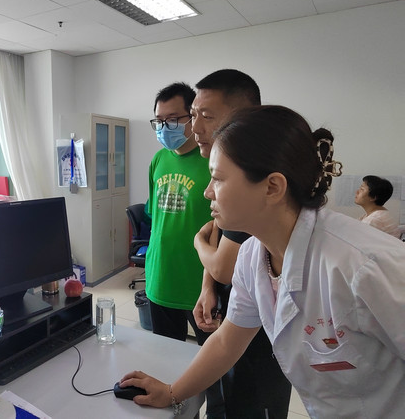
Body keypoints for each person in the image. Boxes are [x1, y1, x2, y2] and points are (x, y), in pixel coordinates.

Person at [121, 105, 405, 418]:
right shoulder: (252, 256)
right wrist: (172, 392)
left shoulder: (367, 266)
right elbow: (228, 341)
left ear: (272, 187)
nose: (207, 192)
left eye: (217, 179)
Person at [191, 69, 291, 418]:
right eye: (193, 115)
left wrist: (197, 242)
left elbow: (222, 262)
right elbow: (220, 241)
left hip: (262, 344)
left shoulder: (352, 265)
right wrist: (208, 287)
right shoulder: (250, 251)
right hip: (237, 316)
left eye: (207, 116)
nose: (195, 127)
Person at [144, 82, 223, 417]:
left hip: (201, 286)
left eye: (174, 119)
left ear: (192, 117)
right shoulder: (158, 160)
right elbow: (156, 219)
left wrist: (212, 283)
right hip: (160, 279)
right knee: (166, 365)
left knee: (213, 372)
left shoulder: (214, 161)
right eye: (159, 121)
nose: (165, 127)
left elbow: (223, 229)